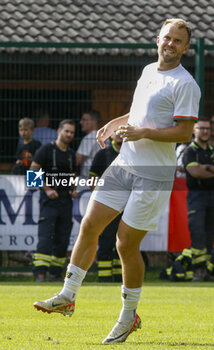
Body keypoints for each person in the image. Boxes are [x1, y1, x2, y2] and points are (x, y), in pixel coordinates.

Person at [33, 18, 201, 343]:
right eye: (167, 38)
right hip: (124, 164)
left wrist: (143, 132)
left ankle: (129, 316)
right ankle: (68, 296)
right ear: (158, 38)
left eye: (178, 41)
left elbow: (183, 131)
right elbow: (140, 112)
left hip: (153, 174)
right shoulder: (149, 71)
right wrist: (116, 122)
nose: (170, 44)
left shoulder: (186, 84)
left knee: (126, 243)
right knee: (89, 225)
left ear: (185, 47)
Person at [182, 118, 214, 282]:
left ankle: (206, 271)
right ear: (194, 130)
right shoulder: (190, 151)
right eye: (201, 128)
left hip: (213, 197)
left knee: (210, 235)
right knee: (198, 234)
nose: (205, 131)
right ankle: (198, 271)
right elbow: (195, 173)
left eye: (208, 129)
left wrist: (207, 167)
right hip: (197, 196)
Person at [31, 119, 77, 282]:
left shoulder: (71, 154)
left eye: (72, 132)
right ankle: (40, 273)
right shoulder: (46, 150)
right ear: (59, 131)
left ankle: (56, 273)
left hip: (66, 202)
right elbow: (32, 172)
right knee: (46, 236)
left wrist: (73, 189)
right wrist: (47, 189)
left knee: (63, 238)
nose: (69, 135)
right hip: (49, 201)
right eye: (67, 131)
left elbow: (72, 175)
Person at [89, 132, 123, 282]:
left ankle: (119, 276)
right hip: (108, 204)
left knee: (122, 241)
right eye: (117, 132)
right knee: (106, 240)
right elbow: (92, 178)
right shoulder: (103, 154)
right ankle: (104, 278)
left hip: (126, 205)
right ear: (110, 137)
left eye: (123, 131)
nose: (121, 135)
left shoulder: (132, 154)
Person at [76, 110, 102, 178]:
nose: (81, 122)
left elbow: (77, 160)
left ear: (94, 121)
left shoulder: (89, 137)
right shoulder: (105, 137)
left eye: (84, 120)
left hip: (88, 179)